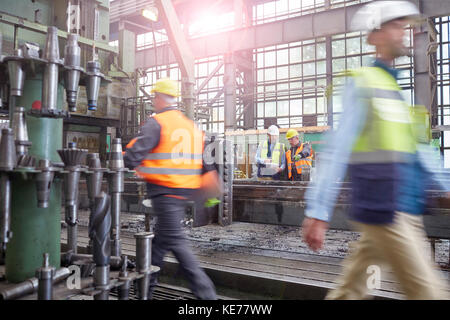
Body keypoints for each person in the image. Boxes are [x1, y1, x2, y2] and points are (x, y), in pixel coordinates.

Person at [302, 1, 449, 299]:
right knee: (430, 293)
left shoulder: (394, 89)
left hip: (401, 206)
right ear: (375, 35)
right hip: (387, 209)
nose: (405, 32)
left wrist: (445, 183)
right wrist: (318, 210)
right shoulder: (363, 84)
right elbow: (337, 149)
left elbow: (416, 148)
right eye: (396, 26)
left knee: (352, 291)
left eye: (405, 26)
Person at [123, 78, 218, 300]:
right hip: (185, 192)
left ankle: (208, 296)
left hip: (165, 192)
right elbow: (205, 163)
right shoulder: (190, 125)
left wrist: (121, 161)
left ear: (157, 98)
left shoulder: (157, 123)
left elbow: (135, 155)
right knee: (159, 244)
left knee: (175, 242)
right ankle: (145, 290)